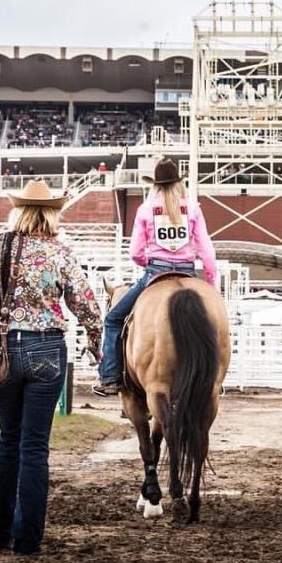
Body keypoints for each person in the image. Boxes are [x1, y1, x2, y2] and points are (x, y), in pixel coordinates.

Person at [0, 180, 102, 556]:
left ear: (18, 210)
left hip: (6, 349)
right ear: (51, 213)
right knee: (35, 446)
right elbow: (86, 304)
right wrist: (94, 340)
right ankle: (28, 540)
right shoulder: (60, 251)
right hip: (46, 349)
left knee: (7, 440)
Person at [92, 158, 217, 396]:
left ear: (156, 185)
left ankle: (109, 376)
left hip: (156, 271)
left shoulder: (145, 209)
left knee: (113, 319)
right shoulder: (192, 208)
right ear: (179, 184)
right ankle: (214, 378)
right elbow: (207, 252)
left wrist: (147, 262)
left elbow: (136, 253)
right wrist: (211, 286)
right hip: (188, 271)